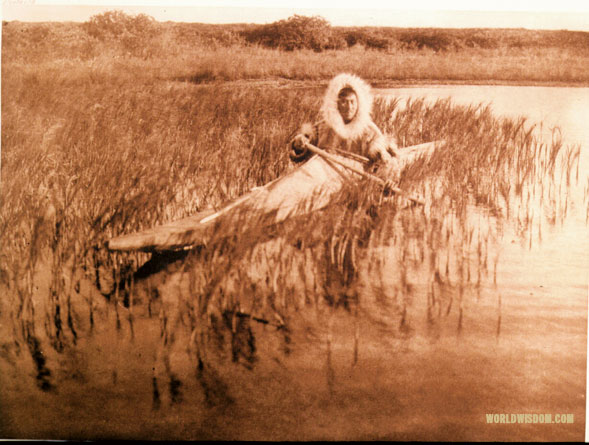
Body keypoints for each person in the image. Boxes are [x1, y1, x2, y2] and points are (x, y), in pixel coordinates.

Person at [289, 73, 399, 181]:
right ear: (335, 104)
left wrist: (388, 179)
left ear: (359, 104)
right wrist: (299, 144)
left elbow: (384, 160)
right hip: (321, 178)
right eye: (344, 102)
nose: (349, 107)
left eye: (352, 102)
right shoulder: (323, 127)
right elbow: (302, 147)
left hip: (351, 182)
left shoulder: (369, 131)